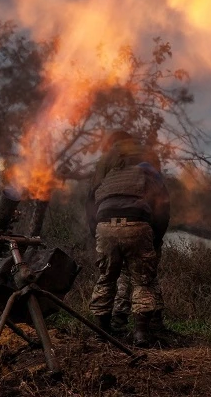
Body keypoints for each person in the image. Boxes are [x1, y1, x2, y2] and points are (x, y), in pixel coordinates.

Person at [86, 131, 170, 347]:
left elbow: (91, 204)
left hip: (104, 224)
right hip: (138, 223)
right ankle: (141, 334)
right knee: (143, 280)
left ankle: (102, 332)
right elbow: (162, 205)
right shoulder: (148, 165)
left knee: (106, 278)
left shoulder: (106, 168)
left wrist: (96, 231)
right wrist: (156, 237)